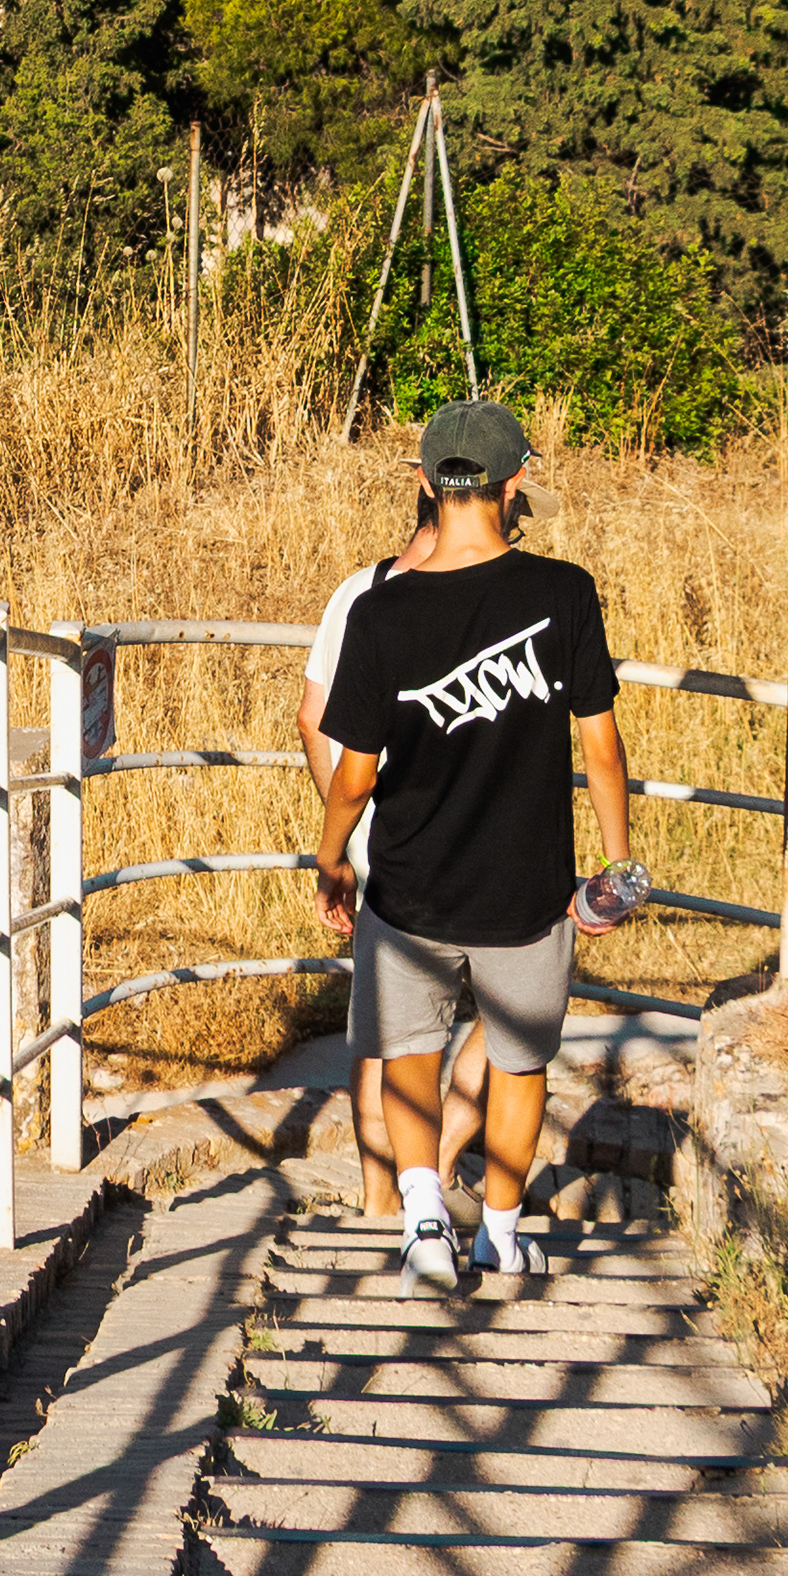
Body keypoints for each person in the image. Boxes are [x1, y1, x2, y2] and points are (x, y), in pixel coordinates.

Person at [314, 396, 640, 1290]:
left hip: (411, 885)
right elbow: (601, 745)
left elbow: (353, 774)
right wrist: (616, 867)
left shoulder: (381, 616)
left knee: (410, 1055)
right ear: (516, 479)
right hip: (529, 890)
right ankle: (499, 1230)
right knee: (519, 1061)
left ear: (423, 483)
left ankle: (425, 1224)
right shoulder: (563, 593)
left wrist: (333, 856)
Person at [302, 478, 496, 1272]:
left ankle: (388, 1204)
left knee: (385, 1030)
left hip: (386, 847)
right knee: (514, 1010)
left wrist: (349, 833)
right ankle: (440, 1167)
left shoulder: (360, 592)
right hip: (481, 840)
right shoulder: (496, 590)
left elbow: (314, 716)